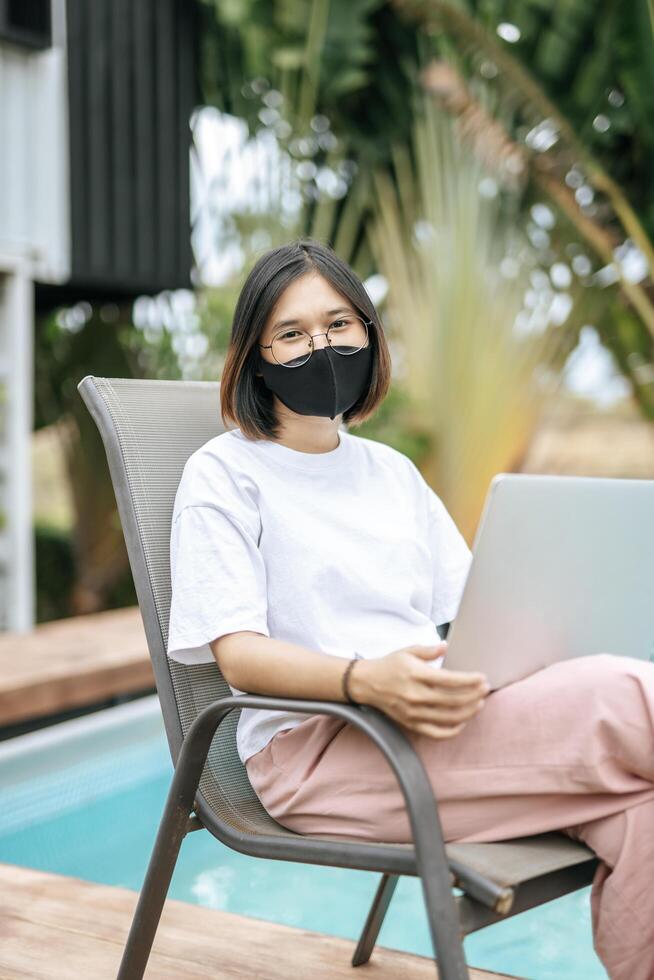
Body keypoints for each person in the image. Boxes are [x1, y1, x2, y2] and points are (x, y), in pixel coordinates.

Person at [166, 237, 654, 980]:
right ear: (255, 357)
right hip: (328, 742)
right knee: (629, 696)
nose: (320, 346)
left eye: (339, 325)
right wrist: (367, 680)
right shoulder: (224, 474)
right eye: (292, 334)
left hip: (432, 720)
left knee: (641, 814)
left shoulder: (389, 471)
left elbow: (480, 609)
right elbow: (237, 652)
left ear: (369, 333)